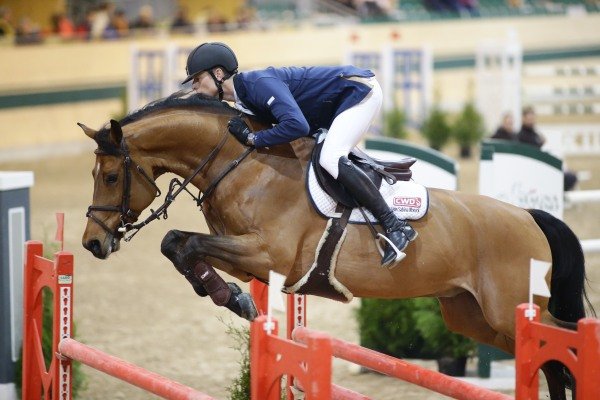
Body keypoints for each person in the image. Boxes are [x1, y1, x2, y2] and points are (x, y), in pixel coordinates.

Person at [182, 42, 418, 268]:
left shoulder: (256, 84)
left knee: (330, 157)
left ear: (219, 73)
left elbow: (297, 125)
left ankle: (396, 226)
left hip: (358, 92)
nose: (194, 86)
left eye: (197, 78)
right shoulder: (243, 102)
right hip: (332, 107)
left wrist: (254, 139)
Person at [517, 106, 578, 191]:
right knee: (570, 178)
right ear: (523, 118)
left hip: (542, 165)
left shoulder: (534, 133)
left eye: (532, 118)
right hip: (536, 169)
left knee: (571, 176)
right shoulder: (522, 135)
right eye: (529, 118)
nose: (531, 121)